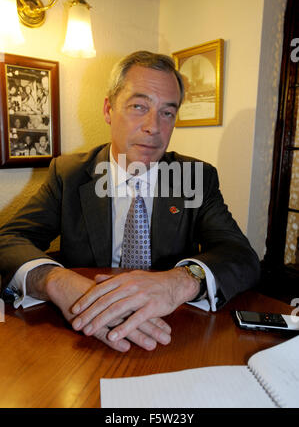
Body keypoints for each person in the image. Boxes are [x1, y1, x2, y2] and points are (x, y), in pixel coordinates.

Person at [0, 51, 260, 353]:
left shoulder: (196, 177)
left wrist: (182, 280)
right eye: (139, 106)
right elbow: (8, 239)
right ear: (109, 109)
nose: (154, 127)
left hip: (171, 331)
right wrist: (54, 280)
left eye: (167, 112)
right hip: (82, 331)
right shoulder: (69, 175)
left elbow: (241, 255)